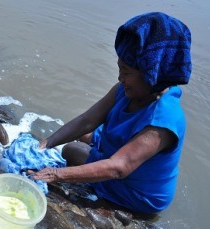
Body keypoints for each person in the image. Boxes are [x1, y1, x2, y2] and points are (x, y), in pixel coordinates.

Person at [32, 12, 192, 214]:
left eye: (126, 72)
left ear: (152, 75)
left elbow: (119, 167)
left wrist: (56, 174)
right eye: (120, 69)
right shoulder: (126, 90)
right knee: (83, 134)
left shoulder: (164, 120)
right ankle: (93, 158)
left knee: (71, 150)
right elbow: (86, 121)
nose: (120, 77)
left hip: (136, 191)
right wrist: (45, 144)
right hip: (120, 153)